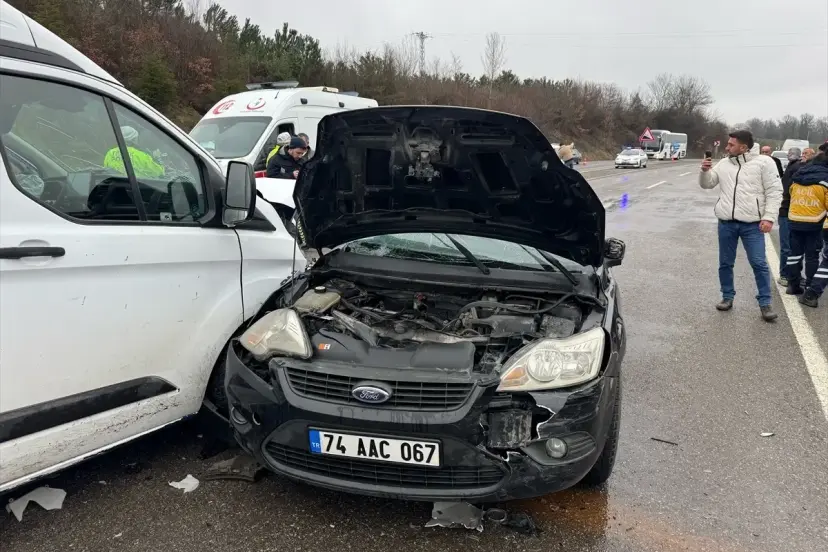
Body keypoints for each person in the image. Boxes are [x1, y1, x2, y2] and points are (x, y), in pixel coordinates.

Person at [699, 130, 782, 322]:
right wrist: (704, 171)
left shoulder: (764, 163)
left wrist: (769, 217)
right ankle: (727, 297)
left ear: (743, 147)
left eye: (731, 145)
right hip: (726, 223)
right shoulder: (724, 163)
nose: (727, 147)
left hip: (752, 225)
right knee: (725, 263)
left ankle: (765, 303)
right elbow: (708, 184)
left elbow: (774, 191)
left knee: (759, 263)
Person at [784, 152, 828, 307]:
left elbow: (790, 194)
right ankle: (810, 286)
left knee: (794, 254)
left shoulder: (798, 176)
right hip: (815, 222)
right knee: (812, 256)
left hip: (794, 219)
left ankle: (792, 285)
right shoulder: (825, 180)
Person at [777, 147, 804, 286]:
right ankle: (786, 275)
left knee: (790, 246)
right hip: (789, 210)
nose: (789, 155)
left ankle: (791, 275)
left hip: (789, 210)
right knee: (790, 247)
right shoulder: (797, 167)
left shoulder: (793, 166)